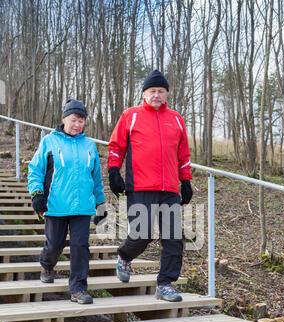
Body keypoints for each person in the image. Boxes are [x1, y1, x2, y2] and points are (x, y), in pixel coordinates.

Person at [107, 70, 193, 302]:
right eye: (152, 91)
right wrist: (114, 171)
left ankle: (165, 283)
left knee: (174, 238)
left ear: (166, 94)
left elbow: (183, 155)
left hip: (169, 190)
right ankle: (125, 255)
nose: (157, 95)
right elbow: (116, 146)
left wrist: (186, 180)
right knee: (141, 234)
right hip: (141, 186)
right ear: (144, 93)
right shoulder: (130, 115)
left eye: (161, 91)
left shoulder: (176, 119)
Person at [27, 98, 106, 304]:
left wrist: (101, 204)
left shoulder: (89, 145)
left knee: (81, 245)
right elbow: (35, 170)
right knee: (55, 244)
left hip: (83, 207)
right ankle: (46, 264)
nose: (77, 124)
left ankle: (78, 288)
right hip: (55, 205)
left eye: (81, 121)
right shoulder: (49, 141)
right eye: (74, 120)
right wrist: (37, 194)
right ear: (64, 119)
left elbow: (96, 177)